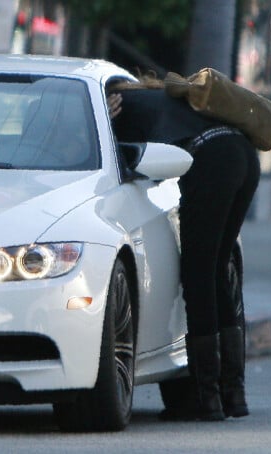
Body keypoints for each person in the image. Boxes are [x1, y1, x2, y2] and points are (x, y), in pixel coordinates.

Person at [107, 76, 261, 421]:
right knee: (217, 268)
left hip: (213, 161)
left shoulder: (112, 111)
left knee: (198, 274)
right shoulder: (158, 96)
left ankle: (205, 398)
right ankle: (233, 394)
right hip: (243, 154)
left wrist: (111, 121)